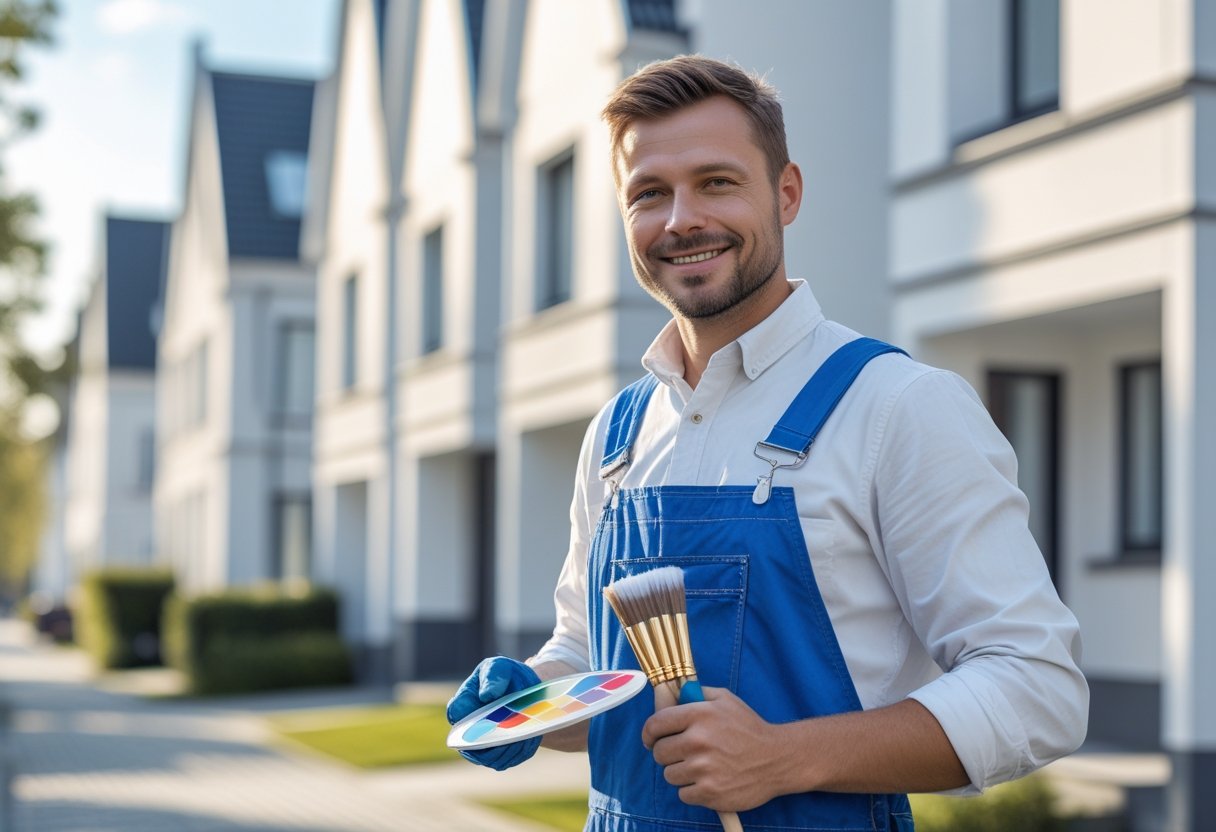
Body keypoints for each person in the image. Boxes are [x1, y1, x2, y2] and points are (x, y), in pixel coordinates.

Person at [447, 55, 1088, 831]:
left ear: (786, 194)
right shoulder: (616, 434)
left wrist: (786, 756)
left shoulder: (897, 407)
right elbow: (594, 663)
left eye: (716, 181)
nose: (680, 219)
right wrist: (533, 700)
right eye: (649, 193)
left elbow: (1039, 690)